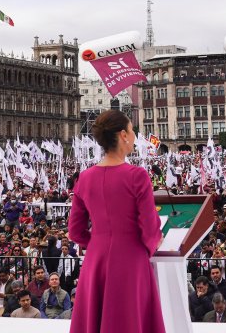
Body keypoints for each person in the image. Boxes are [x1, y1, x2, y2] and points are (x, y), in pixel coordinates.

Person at [67, 110, 165, 332]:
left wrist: (96, 243)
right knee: (129, 320)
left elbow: (75, 231)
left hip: (96, 259)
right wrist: (153, 244)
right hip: (130, 259)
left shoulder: (85, 177)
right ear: (123, 135)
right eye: (132, 130)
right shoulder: (137, 175)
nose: (133, 135)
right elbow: (150, 227)